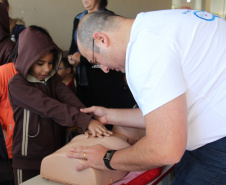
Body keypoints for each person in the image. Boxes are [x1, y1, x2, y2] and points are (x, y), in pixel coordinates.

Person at [66, 10, 226, 184]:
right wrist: (108, 115)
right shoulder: (157, 23)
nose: (104, 69)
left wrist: (107, 158)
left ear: (101, 39)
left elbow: (165, 149)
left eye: (95, 61)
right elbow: (166, 118)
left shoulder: (145, 52)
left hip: (217, 148)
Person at [8, 26, 112, 185]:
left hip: (55, 154)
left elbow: (69, 98)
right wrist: (82, 120)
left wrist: (87, 118)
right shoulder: (17, 84)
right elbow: (47, 106)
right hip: (27, 158)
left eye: (50, 63)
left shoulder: (52, 79)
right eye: (40, 63)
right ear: (26, 59)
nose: (47, 69)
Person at [68, 0, 135, 110]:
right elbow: (74, 46)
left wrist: (81, 58)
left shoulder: (107, 18)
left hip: (103, 78)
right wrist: (72, 57)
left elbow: (108, 54)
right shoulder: (78, 18)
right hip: (84, 74)